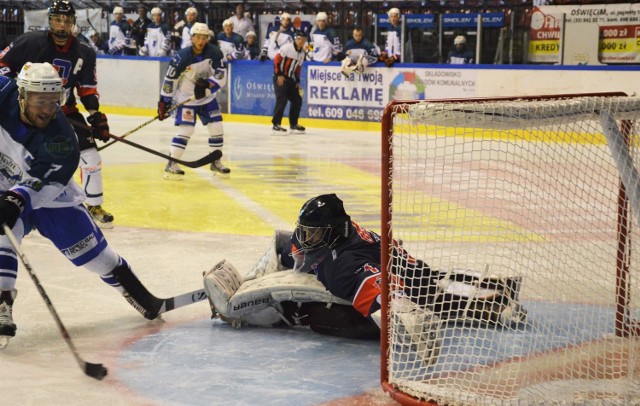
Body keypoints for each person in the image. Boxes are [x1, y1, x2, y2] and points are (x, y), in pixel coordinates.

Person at [203, 194, 527, 354]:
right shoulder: (344, 231)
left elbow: (386, 307)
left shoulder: (343, 267)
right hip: (406, 268)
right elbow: (295, 245)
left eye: (312, 234)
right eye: (306, 231)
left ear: (331, 233)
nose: (305, 239)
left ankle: (491, 306)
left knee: (316, 314)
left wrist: (406, 322)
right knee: (282, 242)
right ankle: (492, 291)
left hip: (403, 282)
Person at [0, 62, 170, 345]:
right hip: (5, 182)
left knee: (95, 257)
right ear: (21, 95)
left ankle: (139, 295)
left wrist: (17, 198)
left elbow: (46, 182)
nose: (47, 109)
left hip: (50, 197)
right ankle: (3, 302)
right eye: (40, 100)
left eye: (54, 101)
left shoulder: (61, 138)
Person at [0, 0, 115, 228]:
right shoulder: (28, 42)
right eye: (58, 19)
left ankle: (94, 204)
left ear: (74, 23)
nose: (62, 25)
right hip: (27, 109)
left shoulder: (84, 52)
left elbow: (87, 88)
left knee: (91, 156)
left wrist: (95, 115)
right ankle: (19, 197)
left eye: (67, 20)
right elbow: (3, 65)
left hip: (64, 111)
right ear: (50, 20)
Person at [158, 22, 229, 179]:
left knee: (217, 127)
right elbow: (170, 80)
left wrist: (208, 85)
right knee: (186, 131)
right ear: (191, 38)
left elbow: (221, 74)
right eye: (198, 37)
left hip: (207, 98)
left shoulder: (215, 52)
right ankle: (172, 163)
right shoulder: (181, 57)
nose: (201, 41)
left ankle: (215, 161)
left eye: (204, 37)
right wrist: (164, 101)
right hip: (187, 99)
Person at [271, 30, 307, 136]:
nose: (301, 41)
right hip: (281, 77)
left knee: (297, 99)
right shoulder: (287, 48)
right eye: (299, 39)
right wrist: (279, 75)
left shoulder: (302, 53)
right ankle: (276, 124)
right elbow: (276, 60)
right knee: (282, 99)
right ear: (296, 39)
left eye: (303, 40)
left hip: (291, 80)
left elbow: (298, 69)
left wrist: (297, 81)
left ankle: (293, 124)